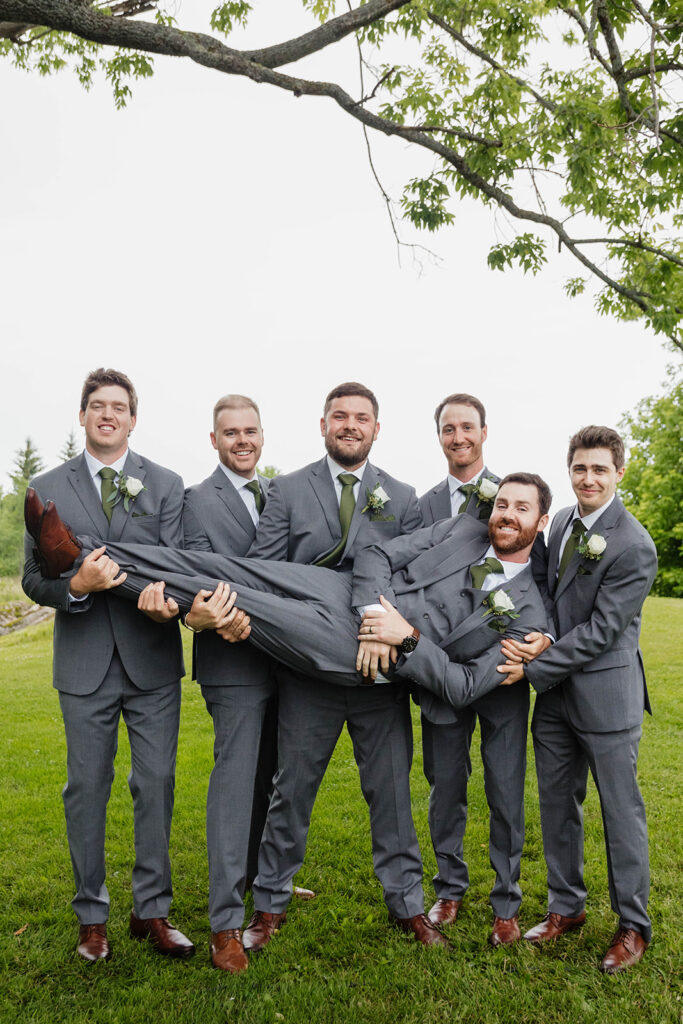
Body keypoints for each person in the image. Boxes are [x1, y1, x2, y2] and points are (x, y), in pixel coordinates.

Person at [27, 473, 550, 952]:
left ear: (541, 521)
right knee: (230, 570)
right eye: (502, 502)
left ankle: (407, 907)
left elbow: (462, 685)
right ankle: (79, 555)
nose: (505, 513)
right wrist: (374, 609)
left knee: (242, 603)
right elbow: (375, 554)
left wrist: (405, 638)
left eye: (520, 508)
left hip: (367, 657)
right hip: (348, 596)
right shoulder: (462, 528)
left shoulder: (529, 617)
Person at [22, 368, 194, 963]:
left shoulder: (167, 485)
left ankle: (152, 911)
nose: (108, 414)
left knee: (157, 784)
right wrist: (78, 584)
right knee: (85, 790)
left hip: (152, 661)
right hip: (83, 664)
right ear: (82, 415)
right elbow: (31, 579)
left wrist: (163, 605)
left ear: (133, 418)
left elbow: (175, 566)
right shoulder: (45, 487)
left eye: (118, 406)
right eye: (97, 405)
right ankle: (91, 918)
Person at [498, 426, 657, 973]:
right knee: (556, 805)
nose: (587, 479)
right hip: (557, 697)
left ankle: (633, 925)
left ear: (619, 473)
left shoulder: (635, 545)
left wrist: (534, 663)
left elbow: (602, 631)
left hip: (607, 698)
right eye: (579, 468)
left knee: (621, 814)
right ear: (570, 470)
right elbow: (546, 591)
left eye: (599, 469)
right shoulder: (562, 521)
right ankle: (567, 907)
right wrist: (536, 633)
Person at [420, 393, 500, 527]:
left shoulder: (509, 495)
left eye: (467, 428)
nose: (458, 439)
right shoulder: (421, 506)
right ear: (439, 437)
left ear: (484, 433)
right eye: (449, 430)